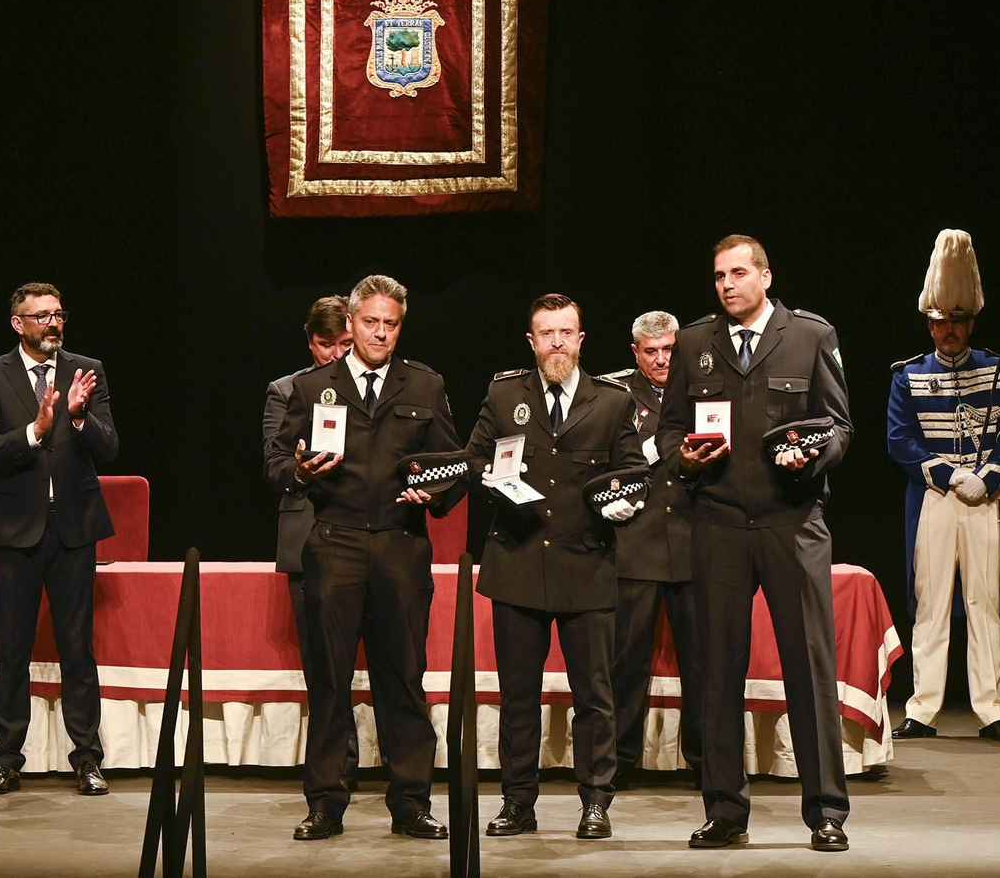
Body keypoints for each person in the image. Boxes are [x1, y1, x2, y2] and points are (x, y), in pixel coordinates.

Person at [656, 234, 852, 852]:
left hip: (792, 524)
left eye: (739, 273)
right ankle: (725, 810)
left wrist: (813, 453)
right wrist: (683, 459)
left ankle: (825, 812)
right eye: (718, 276)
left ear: (766, 276)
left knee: (809, 667)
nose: (727, 284)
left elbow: (839, 425)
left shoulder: (811, 335)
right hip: (717, 524)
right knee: (717, 669)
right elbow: (666, 432)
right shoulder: (694, 342)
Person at [264, 274, 463, 842]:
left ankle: (411, 803)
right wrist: (298, 473)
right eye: (370, 322)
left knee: (403, 678)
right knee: (328, 681)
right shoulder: (311, 387)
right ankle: (326, 802)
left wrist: (438, 490)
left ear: (401, 326)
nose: (380, 333)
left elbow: (453, 463)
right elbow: (276, 462)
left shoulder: (423, 385)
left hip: (402, 546)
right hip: (337, 542)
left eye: (390, 324)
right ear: (349, 324)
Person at [466, 294, 645, 840]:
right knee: (517, 695)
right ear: (532, 341)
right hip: (518, 563)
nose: (558, 342)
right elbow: (473, 459)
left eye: (567, 332)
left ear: (582, 338)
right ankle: (518, 802)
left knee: (594, 695)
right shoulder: (504, 394)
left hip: (586, 565)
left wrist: (625, 501)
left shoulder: (612, 401)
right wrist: (492, 482)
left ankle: (595, 803)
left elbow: (635, 469)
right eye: (547, 333)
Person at [0, 283, 119, 797]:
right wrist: (34, 430)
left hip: (73, 529)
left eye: (58, 315)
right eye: (41, 317)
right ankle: (7, 760)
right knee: (12, 648)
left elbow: (111, 446)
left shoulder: (87, 368)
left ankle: (87, 760)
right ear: (19, 324)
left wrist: (78, 417)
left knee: (78, 647)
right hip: (15, 531)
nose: (52, 324)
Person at [887, 229, 1000, 743]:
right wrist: (950, 475)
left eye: (958, 320)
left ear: (971, 321)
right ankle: (923, 708)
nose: (950, 330)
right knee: (931, 600)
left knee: (986, 601)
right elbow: (900, 441)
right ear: (929, 322)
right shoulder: (907, 376)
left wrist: (987, 477)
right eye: (941, 321)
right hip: (935, 498)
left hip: (985, 497)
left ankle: (991, 709)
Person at [601, 310, 703, 788]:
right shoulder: (613, 396)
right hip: (635, 544)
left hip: (694, 542)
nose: (663, 360)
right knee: (625, 663)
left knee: (704, 664)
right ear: (635, 353)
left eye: (669, 350)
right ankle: (616, 763)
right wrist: (605, 503)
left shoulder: (705, 386)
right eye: (652, 351)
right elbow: (596, 465)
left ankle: (707, 763)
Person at [261, 295, 360, 782]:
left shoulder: (376, 389)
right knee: (323, 665)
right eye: (326, 345)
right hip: (308, 537)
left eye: (346, 343)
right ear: (310, 341)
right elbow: (273, 466)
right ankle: (333, 770)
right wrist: (300, 473)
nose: (337, 355)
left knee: (380, 662)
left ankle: (377, 769)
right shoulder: (287, 390)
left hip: (368, 537)